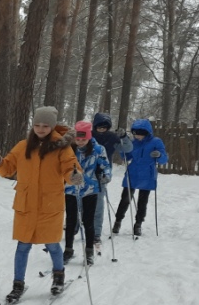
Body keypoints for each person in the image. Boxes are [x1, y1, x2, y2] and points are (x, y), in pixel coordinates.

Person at [0, 106, 82, 302]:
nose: (40, 129)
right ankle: (18, 284)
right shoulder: (23, 146)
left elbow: (70, 167)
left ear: (52, 126)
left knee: (53, 245)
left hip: (50, 205)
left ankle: (58, 277)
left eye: (45, 126)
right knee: (22, 246)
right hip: (26, 205)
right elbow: (8, 168)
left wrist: (74, 176)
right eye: (37, 125)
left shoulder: (61, 148)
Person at [64, 121, 112, 265]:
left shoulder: (98, 149)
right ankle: (68, 249)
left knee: (88, 221)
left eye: (83, 139)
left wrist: (106, 175)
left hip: (90, 189)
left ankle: (89, 251)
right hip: (71, 189)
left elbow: (106, 165)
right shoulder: (69, 149)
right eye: (77, 139)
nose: (80, 142)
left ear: (89, 137)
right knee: (71, 220)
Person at [112, 118, 167, 237]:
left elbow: (164, 159)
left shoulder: (156, 142)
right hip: (133, 173)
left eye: (140, 133)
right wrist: (122, 149)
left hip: (147, 174)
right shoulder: (133, 142)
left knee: (142, 201)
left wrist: (159, 155)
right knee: (125, 199)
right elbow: (127, 157)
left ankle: (138, 224)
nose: (137, 136)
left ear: (147, 132)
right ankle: (118, 221)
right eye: (135, 133)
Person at [91, 113, 120, 244]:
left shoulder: (112, 137)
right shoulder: (88, 136)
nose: (102, 129)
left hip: (102, 173)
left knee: (98, 204)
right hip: (87, 173)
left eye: (105, 127)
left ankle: (96, 232)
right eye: (99, 127)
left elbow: (126, 149)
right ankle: (76, 225)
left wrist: (123, 138)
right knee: (81, 203)